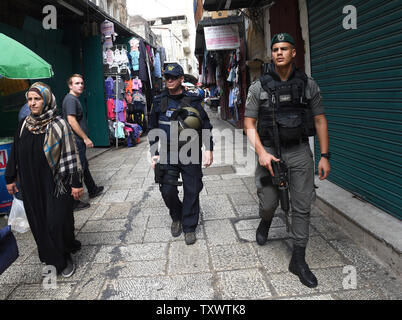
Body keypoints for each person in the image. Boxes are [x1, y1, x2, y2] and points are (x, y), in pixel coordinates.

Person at [244, 33, 330, 288]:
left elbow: (320, 120)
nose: (279, 52)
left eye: (285, 48)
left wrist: (325, 156)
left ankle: (298, 259)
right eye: (276, 49)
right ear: (272, 54)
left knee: (302, 206)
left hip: (300, 152)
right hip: (269, 151)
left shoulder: (308, 84)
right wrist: (260, 151)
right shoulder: (258, 86)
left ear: (294, 53)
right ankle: (266, 219)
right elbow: (248, 123)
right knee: (269, 203)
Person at [5, 82, 84, 277]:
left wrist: (76, 183)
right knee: (39, 222)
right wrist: (10, 178)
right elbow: (15, 151)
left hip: (56, 183)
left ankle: (65, 256)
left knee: (56, 222)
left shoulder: (59, 125)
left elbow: (71, 155)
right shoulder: (24, 124)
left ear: (46, 100)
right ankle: (53, 259)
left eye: (37, 99)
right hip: (31, 184)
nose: (32, 103)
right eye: (30, 99)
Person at [149, 63, 214, 245]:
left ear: (181, 79)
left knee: (192, 190)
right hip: (167, 152)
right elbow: (152, 127)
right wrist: (154, 152)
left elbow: (206, 125)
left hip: (190, 151)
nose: (169, 81)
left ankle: (189, 227)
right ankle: (176, 216)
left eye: (173, 77)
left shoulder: (193, 100)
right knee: (167, 190)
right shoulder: (158, 101)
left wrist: (208, 149)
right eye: (166, 78)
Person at [62, 74, 104, 211]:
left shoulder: (73, 99)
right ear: (70, 85)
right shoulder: (70, 100)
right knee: (77, 168)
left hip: (77, 140)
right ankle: (74, 201)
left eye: (81, 83)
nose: (80, 85)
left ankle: (92, 189)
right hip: (76, 140)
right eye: (76, 83)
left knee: (83, 165)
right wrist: (85, 138)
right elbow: (71, 121)